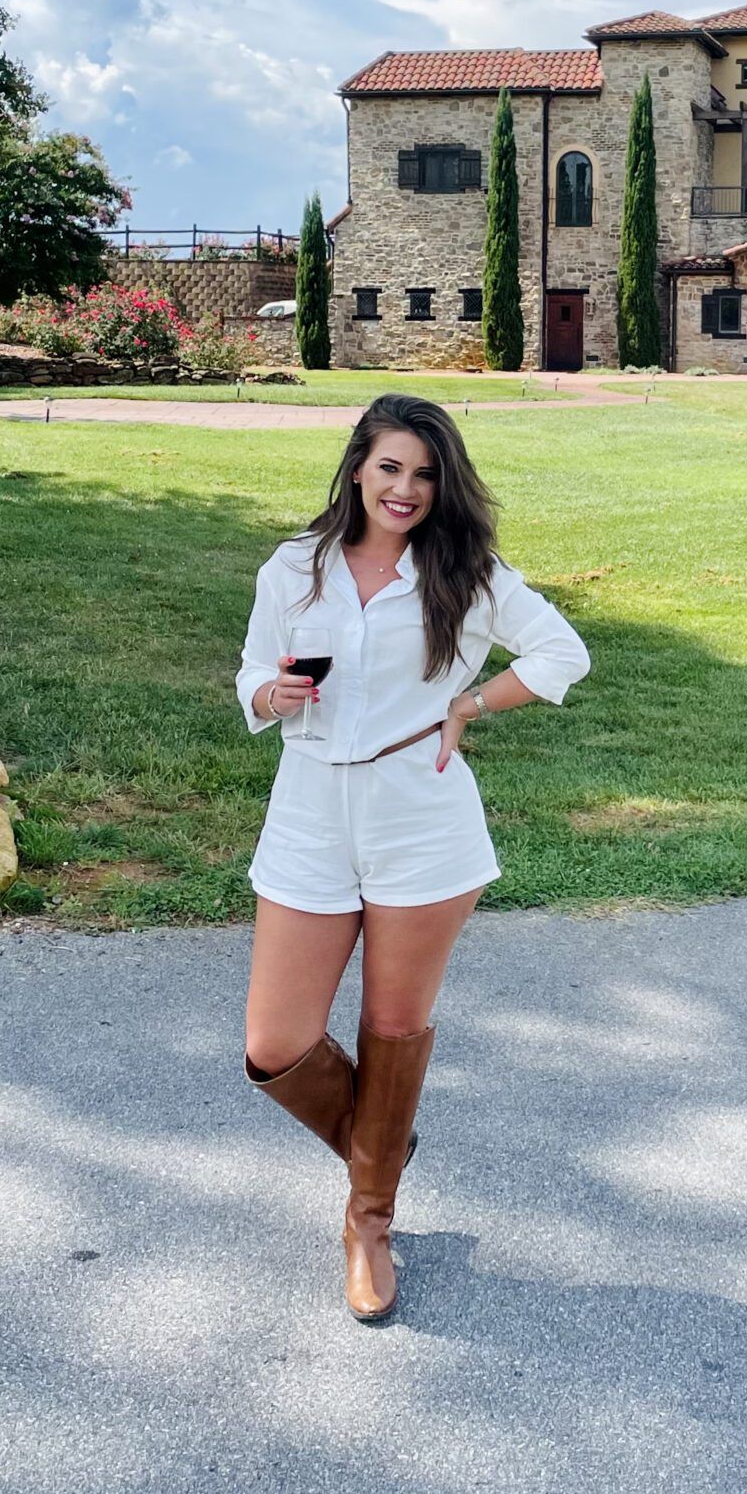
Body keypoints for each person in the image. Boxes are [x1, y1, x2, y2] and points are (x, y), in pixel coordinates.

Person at [237, 391, 590, 1323]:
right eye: (391, 467)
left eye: (426, 475)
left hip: (420, 817)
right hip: (309, 808)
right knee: (275, 1045)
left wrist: (470, 704)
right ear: (358, 466)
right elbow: (250, 672)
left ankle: (370, 1220)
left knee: (392, 1029)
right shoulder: (293, 567)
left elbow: (562, 653)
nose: (406, 489)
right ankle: (380, 1141)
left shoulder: (465, 574)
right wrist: (271, 695)